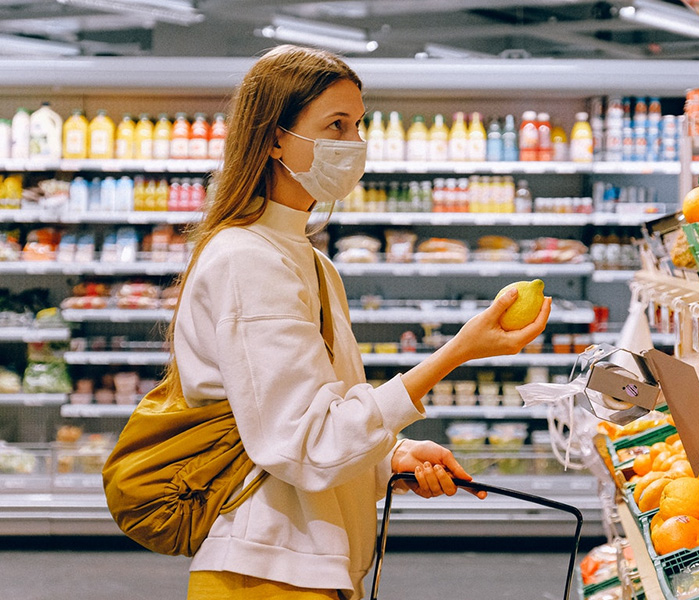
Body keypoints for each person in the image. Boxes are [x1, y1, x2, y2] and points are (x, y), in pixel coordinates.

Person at [165, 45, 552, 600]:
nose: (354, 143)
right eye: (336, 125)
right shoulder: (246, 260)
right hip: (265, 571)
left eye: (358, 124)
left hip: (312, 566)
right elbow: (305, 442)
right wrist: (455, 353)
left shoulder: (309, 261)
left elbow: (318, 418)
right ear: (275, 138)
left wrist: (386, 456)